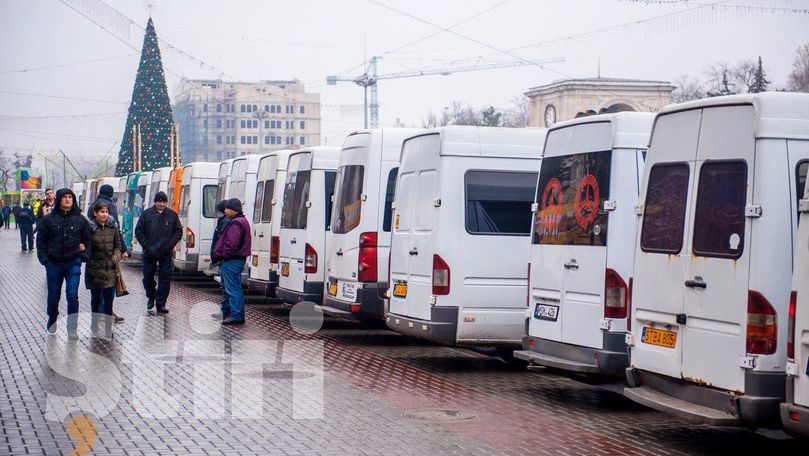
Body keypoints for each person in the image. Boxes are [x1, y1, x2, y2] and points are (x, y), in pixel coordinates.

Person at [37, 188, 91, 336]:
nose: (68, 199)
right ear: (59, 199)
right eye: (65, 197)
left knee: (72, 295)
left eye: (70, 197)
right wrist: (45, 260)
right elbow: (41, 242)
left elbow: (87, 240)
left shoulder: (80, 220)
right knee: (54, 296)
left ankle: (72, 327)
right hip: (53, 263)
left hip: (73, 262)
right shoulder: (48, 220)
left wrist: (83, 256)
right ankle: (52, 317)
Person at [135, 191, 182, 315]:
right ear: (155, 202)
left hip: (165, 252)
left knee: (165, 278)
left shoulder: (172, 215)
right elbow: (139, 231)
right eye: (159, 201)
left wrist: (170, 244)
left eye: (164, 201)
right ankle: (151, 296)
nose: (161, 204)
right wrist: (146, 245)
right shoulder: (147, 214)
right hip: (150, 252)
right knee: (147, 276)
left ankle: (161, 303)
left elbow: (178, 231)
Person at [85, 201, 123, 338]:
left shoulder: (113, 227)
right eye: (102, 212)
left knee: (108, 301)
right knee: (95, 299)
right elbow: (87, 247)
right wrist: (88, 258)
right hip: (94, 269)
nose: (105, 214)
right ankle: (94, 325)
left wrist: (115, 258)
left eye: (106, 212)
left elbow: (118, 245)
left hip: (110, 269)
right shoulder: (89, 228)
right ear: (95, 213)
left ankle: (108, 329)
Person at [93, 184, 129, 323]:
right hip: (108, 250)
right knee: (109, 283)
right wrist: (123, 249)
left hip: (96, 253)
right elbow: (115, 229)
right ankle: (106, 312)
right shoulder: (109, 206)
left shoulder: (93, 205)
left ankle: (100, 313)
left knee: (97, 286)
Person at [213, 198, 252, 325]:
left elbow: (231, 243)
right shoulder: (241, 221)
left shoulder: (236, 223)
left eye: (227, 208)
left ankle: (236, 315)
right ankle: (230, 312)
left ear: (233, 209)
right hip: (235, 260)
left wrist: (225, 256)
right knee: (231, 287)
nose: (225, 210)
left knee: (232, 289)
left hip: (232, 261)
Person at [210, 200, 231, 319]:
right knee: (225, 286)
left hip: (224, 259)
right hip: (222, 258)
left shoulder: (224, 222)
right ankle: (226, 310)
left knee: (226, 286)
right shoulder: (224, 221)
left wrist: (218, 256)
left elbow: (222, 242)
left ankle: (226, 310)